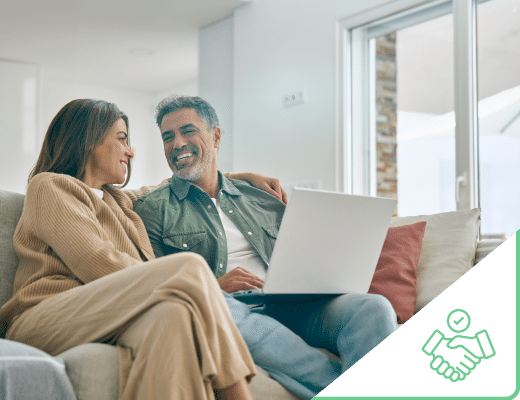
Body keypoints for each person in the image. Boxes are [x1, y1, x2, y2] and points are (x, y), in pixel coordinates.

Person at [0, 98, 287, 400]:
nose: (131, 151)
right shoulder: (50, 186)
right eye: (122, 139)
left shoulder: (117, 201)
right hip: (47, 316)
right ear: (88, 141)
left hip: (108, 313)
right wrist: (193, 283)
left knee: (173, 315)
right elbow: (96, 263)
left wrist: (240, 179)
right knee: (190, 267)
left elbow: (177, 183)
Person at [133, 95, 399, 399]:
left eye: (187, 131)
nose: (177, 143)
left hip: (292, 303)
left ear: (216, 135)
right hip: (226, 307)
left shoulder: (260, 195)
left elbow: (301, 251)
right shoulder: (152, 209)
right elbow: (154, 283)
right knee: (220, 310)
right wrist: (214, 286)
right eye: (168, 137)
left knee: (373, 307)